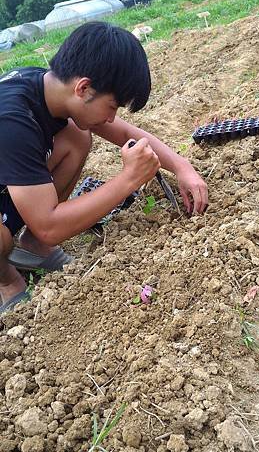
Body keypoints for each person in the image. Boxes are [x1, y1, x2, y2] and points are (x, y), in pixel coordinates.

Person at [0, 22, 208, 314]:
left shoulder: (48, 87)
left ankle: (32, 247)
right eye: (113, 106)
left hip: (10, 180)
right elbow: (50, 226)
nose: (112, 118)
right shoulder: (12, 120)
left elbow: (125, 134)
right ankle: (8, 281)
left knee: (76, 135)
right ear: (83, 88)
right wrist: (128, 179)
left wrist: (181, 166)